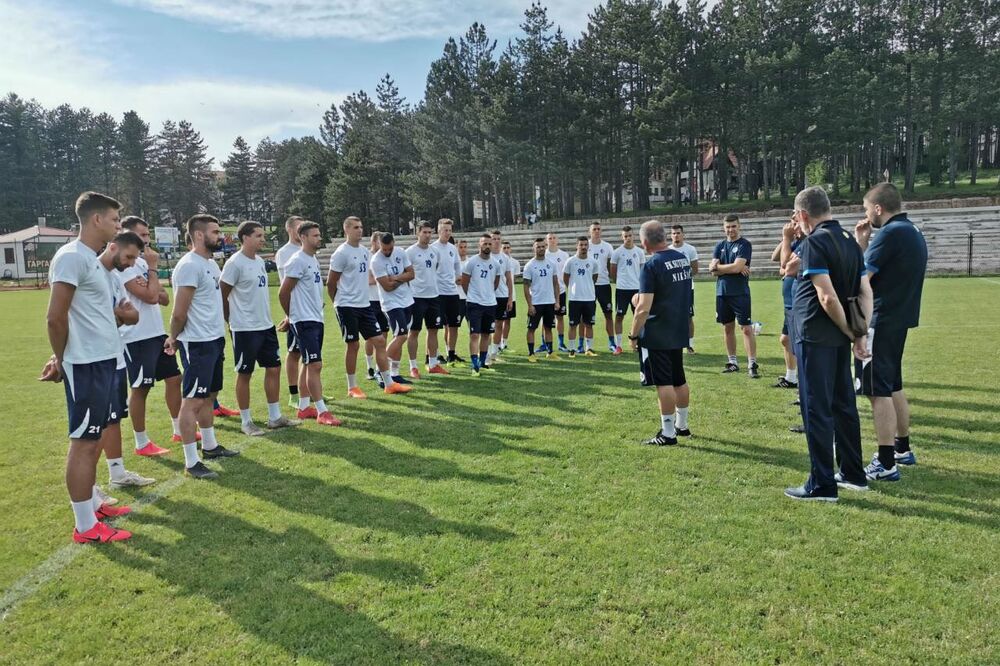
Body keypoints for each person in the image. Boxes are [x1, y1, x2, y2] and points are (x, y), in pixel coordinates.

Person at [43, 192, 133, 543]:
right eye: (114, 219)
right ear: (96, 220)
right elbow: (55, 316)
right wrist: (61, 359)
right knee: (84, 441)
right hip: (86, 365)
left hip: (105, 361)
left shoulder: (91, 260)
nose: (117, 225)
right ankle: (85, 527)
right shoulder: (70, 258)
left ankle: (93, 501)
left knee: (94, 437)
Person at [783, 187, 871, 501]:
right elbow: (865, 291)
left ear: (804, 216)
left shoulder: (814, 242)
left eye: (797, 217)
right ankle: (852, 472)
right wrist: (859, 332)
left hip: (816, 336)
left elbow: (826, 296)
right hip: (835, 338)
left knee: (816, 408)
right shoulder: (849, 240)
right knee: (843, 404)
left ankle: (822, 484)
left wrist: (851, 331)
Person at [854, 182, 928, 481]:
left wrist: (862, 248)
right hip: (900, 318)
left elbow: (863, 278)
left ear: (878, 208)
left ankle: (885, 463)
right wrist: (864, 245)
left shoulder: (889, 233)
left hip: (881, 320)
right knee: (893, 383)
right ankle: (901, 448)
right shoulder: (912, 230)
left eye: (866, 208)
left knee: (876, 390)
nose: (866, 214)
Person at [166, 214, 240, 480]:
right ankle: (191, 460)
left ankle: (210, 446)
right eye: (216, 232)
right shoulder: (188, 266)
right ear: (199, 235)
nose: (220, 236)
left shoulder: (210, 264)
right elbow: (179, 312)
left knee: (209, 395)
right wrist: (173, 338)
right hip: (196, 342)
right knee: (193, 401)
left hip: (213, 339)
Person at [220, 221, 300, 436]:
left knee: (273, 368)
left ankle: (275, 417)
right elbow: (222, 294)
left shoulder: (259, 262)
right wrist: (230, 321)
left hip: (265, 325)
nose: (263, 239)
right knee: (245, 373)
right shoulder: (234, 263)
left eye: (263, 235)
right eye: (258, 235)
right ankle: (246, 422)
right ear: (245, 238)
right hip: (244, 328)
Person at [116, 216, 185, 455]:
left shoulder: (143, 264)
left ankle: (179, 429)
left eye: (147, 235)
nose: (147, 240)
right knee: (141, 388)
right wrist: (153, 272)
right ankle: (141, 442)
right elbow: (150, 296)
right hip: (137, 337)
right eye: (143, 235)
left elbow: (163, 298)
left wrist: (152, 282)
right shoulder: (127, 265)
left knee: (175, 379)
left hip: (156, 333)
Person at [98, 231, 155, 497]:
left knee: (112, 419)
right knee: (94, 426)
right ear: (112, 247)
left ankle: (117, 473)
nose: (133, 263)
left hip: (115, 355)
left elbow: (131, 314)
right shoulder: (89, 270)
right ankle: (89, 489)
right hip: (94, 361)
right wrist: (118, 314)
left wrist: (118, 314)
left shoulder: (114, 278)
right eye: (129, 256)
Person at [328, 216, 411, 398]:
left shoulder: (365, 252)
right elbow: (331, 282)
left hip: (365, 305)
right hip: (347, 305)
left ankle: (389, 383)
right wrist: (338, 303)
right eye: (356, 227)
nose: (360, 230)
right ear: (346, 230)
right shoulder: (341, 253)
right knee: (353, 345)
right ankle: (352, 387)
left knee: (380, 341)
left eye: (361, 227)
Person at [629, 220, 693, 446]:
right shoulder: (681, 259)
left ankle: (668, 433)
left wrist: (633, 334)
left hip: (657, 332)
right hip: (678, 327)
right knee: (679, 378)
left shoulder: (651, 265)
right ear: (664, 237)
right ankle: (682, 425)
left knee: (663, 382)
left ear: (645, 242)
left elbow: (644, 307)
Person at [278, 221, 341, 426]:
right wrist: (292, 316)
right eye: (315, 235)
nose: (319, 238)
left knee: (308, 363)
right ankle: (322, 411)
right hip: (303, 320)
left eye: (319, 234)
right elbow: (283, 292)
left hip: (315, 318)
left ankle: (304, 408)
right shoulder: (297, 260)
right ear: (302, 237)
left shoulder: (312, 259)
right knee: (315, 364)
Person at [709, 214, 759, 378]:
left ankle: (752, 363)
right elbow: (712, 269)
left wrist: (720, 269)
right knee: (727, 328)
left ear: (739, 226)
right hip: (722, 293)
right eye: (728, 227)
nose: (731, 230)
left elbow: (735, 268)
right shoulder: (720, 245)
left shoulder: (745, 244)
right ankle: (733, 362)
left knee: (746, 328)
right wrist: (731, 268)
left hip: (739, 293)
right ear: (724, 228)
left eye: (733, 226)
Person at [371, 232, 417, 386]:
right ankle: (379, 369)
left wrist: (395, 278)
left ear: (393, 243)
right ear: (379, 244)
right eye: (384, 249)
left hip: (407, 301)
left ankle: (395, 373)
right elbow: (387, 287)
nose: (386, 252)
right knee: (401, 336)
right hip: (391, 304)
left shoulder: (401, 252)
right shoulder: (376, 260)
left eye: (389, 249)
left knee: (400, 337)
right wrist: (402, 277)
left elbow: (412, 274)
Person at [405, 221, 447, 377]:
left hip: (434, 297)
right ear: (418, 233)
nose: (428, 235)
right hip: (416, 298)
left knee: (433, 330)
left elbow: (434, 269)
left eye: (430, 232)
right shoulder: (410, 252)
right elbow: (407, 274)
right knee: (414, 331)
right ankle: (413, 367)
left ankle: (433, 363)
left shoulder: (434, 251)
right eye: (425, 232)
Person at [275, 215, 309, 408]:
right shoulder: (285, 252)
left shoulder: (306, 251)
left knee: (309, 355)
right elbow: (285, 284)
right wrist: (289, 313)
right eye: (298, 227)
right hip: (296, 311)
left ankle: (310, 390)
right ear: (289, 229)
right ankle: (294, 394)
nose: (301, 230)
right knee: (294, 352)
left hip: (309, 310)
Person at [461, 234, 502, 376]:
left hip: (490, 304)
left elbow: (496, 283)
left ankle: (483, 362)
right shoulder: (471, 262)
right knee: (474, 335)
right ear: (479, 245)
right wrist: (473, 296)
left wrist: (488, 294)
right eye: (485, 243)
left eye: (489, 244)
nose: (487, 246)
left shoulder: (496, 264)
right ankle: (474, 364)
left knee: (486, 334)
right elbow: (464, 282)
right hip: (474, 304)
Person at [772, 221, 804, 389]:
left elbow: (784, 266)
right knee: (786, 339)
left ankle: (802, 383)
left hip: (799, 301)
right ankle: (791, 377)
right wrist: (786, 238)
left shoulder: (807, 241)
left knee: (798, 344)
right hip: (790, 301)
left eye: (795, 220)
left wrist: (786, 237)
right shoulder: (795, 241)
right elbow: (775, 257)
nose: (792, 224)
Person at [522, 238, 561, 362]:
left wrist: (557, 301)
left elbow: (555, 283)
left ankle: (550, 352)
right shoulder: (530, 265)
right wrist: (530, 305)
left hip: (549, 302)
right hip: (536, 302)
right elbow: (526, 286)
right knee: (531, 328)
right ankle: (531, 353)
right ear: (534, 248)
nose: (541, 249)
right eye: (538, 247)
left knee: (548, 327)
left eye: (543, 246)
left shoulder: (551, 264)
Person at [434, 219, 466, 366]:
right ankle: (434, 355)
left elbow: (457, 267)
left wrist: (458, 277)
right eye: (445, 230)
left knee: (454, 325)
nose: (447, 233)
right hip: (438, 293)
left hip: (453, 293)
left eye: (449, 230)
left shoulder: (453, 249)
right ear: (439, 230)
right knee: (435, 327)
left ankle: (451, 354)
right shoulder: (433, 248)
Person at [610, 225, 646, 355]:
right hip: (622, 290)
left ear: (633, 236)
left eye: (630, 235)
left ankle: (639, 343)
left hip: (637, 290)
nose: (628, 238)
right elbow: (613, 272)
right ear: (622, 237)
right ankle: (618, 346)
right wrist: (620, 282)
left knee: (640, 316)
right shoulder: (617, 252)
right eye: (625, 236)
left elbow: (643, 272)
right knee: (619, 316)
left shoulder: (640, 252)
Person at [563, 236, 598, 357]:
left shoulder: (593, 262)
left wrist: (587, 287)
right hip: (575, 299)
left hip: (589, 298)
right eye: (581, 245)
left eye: (585, 245)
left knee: (589, 324)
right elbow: (566, 278)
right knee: (573, 324)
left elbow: (594, 278)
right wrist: (573, 289)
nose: (583, 247)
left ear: (588, 246)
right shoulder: (570, 261)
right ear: (576, 246)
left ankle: (589, 348)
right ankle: (572, 349)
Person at [669, 225, 699, 353]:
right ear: (671, 235)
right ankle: (673, 342)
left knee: (688, 317)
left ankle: (689, 344)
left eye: (678, 233)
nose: (676, 235)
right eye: (674, 233)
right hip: (671, 289)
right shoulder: (667, 250)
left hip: (687, 288)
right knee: (671, 316)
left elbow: (695, 269)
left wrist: (683, 278)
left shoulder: (690, 249)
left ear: (683, 234)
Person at [586, 222, 616, 352]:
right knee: (586, 316)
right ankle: (585, 344)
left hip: (604, 285)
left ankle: (612, 342)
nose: (597, 231)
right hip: (588, 286)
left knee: (608, 314)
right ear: (590, 231)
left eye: (598, 229)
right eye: (594, 229)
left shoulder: (608, 246)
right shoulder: (585, 246)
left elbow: (611, 265)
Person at [364, 231, 389, 383]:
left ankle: (381, 367)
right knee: (370, 336)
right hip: (370, 300)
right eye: (379, 243)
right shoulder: (368, 256)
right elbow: (370, 279)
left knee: (384, 333)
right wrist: (385, 278)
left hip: (383, 299)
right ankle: (370, 367)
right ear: (374, 242)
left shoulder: (384, 257)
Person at [488, 230, 514, 365]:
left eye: (498, 238)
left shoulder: (505, 258)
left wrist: (510, 298)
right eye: (494, 238)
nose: (496, 241)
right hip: (488, 296)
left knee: (499, 324)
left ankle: (494, 352)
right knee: (488, 326)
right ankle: (485, 354)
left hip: (502, 296)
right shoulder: (486, 256)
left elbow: (509, 279)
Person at [545, 233, 571, 352]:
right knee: (544, 318)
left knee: (560, 317)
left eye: (554, 238)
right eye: (550, 238)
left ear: (557, 240)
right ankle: (544, 343)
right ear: (546, 241)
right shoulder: (544, 254)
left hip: (560, 290)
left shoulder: (564, 255)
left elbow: (567, 272)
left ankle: (561, 342)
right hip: (546, 292)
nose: (552, 240)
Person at [498, 241, 521, 353]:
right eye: (504, 247)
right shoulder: (498, 259)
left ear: (510, 249)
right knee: (498, 321)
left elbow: (514, 278)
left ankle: (504, 343)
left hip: (512, 296)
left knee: (507, 320)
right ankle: (496, 344)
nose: (506, 249)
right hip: (500, 295)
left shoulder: (515, 262)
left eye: (508, 247)